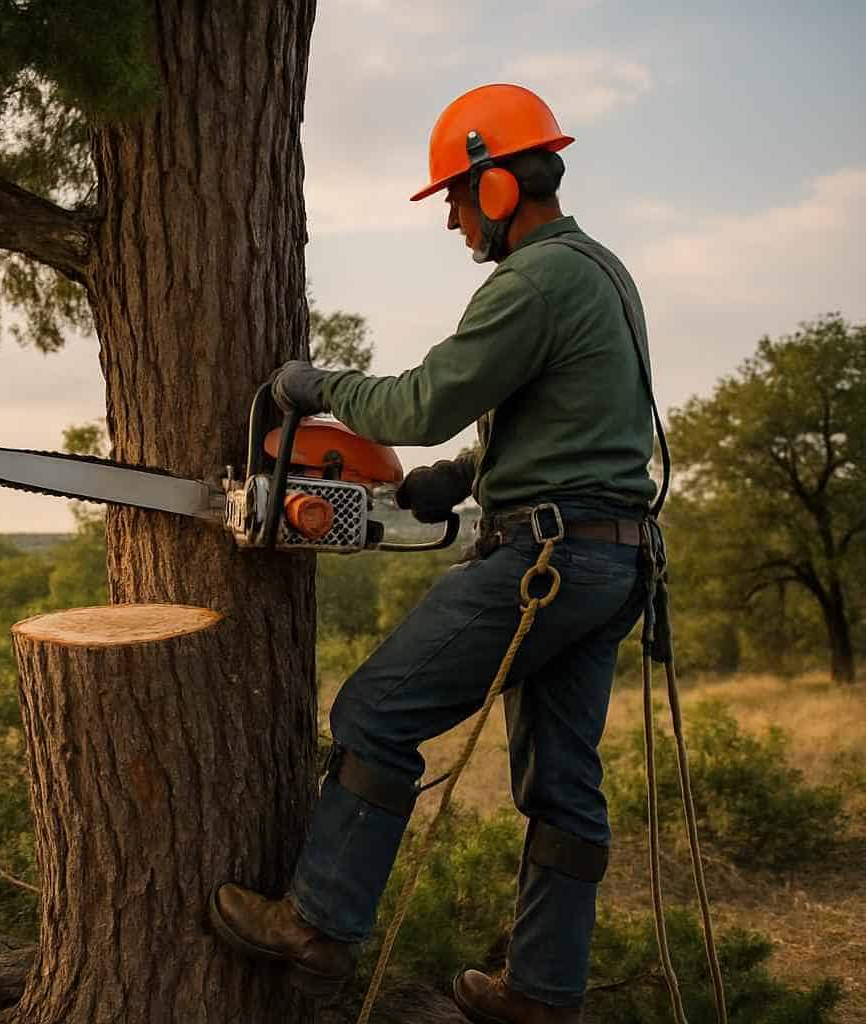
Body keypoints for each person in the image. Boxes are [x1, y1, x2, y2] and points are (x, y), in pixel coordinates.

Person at [207, 83, 657, 1024]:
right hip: (615, 557)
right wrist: (464, 474)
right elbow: (574, 417)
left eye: (456, 196)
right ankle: (542, 993)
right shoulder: (601, 271)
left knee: (374, 710)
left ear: (497, 186)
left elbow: (418, 402)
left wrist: (313, 382)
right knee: (566, 785)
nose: (453, 219)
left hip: (553, 557)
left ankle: (320, 923)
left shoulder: (532, 281)